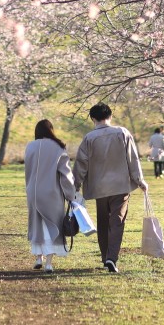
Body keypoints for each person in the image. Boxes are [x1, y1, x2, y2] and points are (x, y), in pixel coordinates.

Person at [73, 103, 148, 274]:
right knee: (117, 222)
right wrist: (140, 180)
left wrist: (75, 186)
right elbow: (133, 159)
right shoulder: (122, 133)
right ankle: (111, 258)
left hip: (99, 187)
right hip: (121, 185)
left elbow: (81, 165)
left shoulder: (89, 138)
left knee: (103, 222)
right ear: (110, 116)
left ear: (92, 118)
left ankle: (105, 256)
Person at [24, 119, 78, 273]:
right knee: (51, 226)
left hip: (33, 191)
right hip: (52, 193)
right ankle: (48, 263)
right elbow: (65, 175)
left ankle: (38, 258)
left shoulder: (30, 146)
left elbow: (28, 171)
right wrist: (70, 194)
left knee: (37, 225)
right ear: (51, 130)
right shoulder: (58, 147)